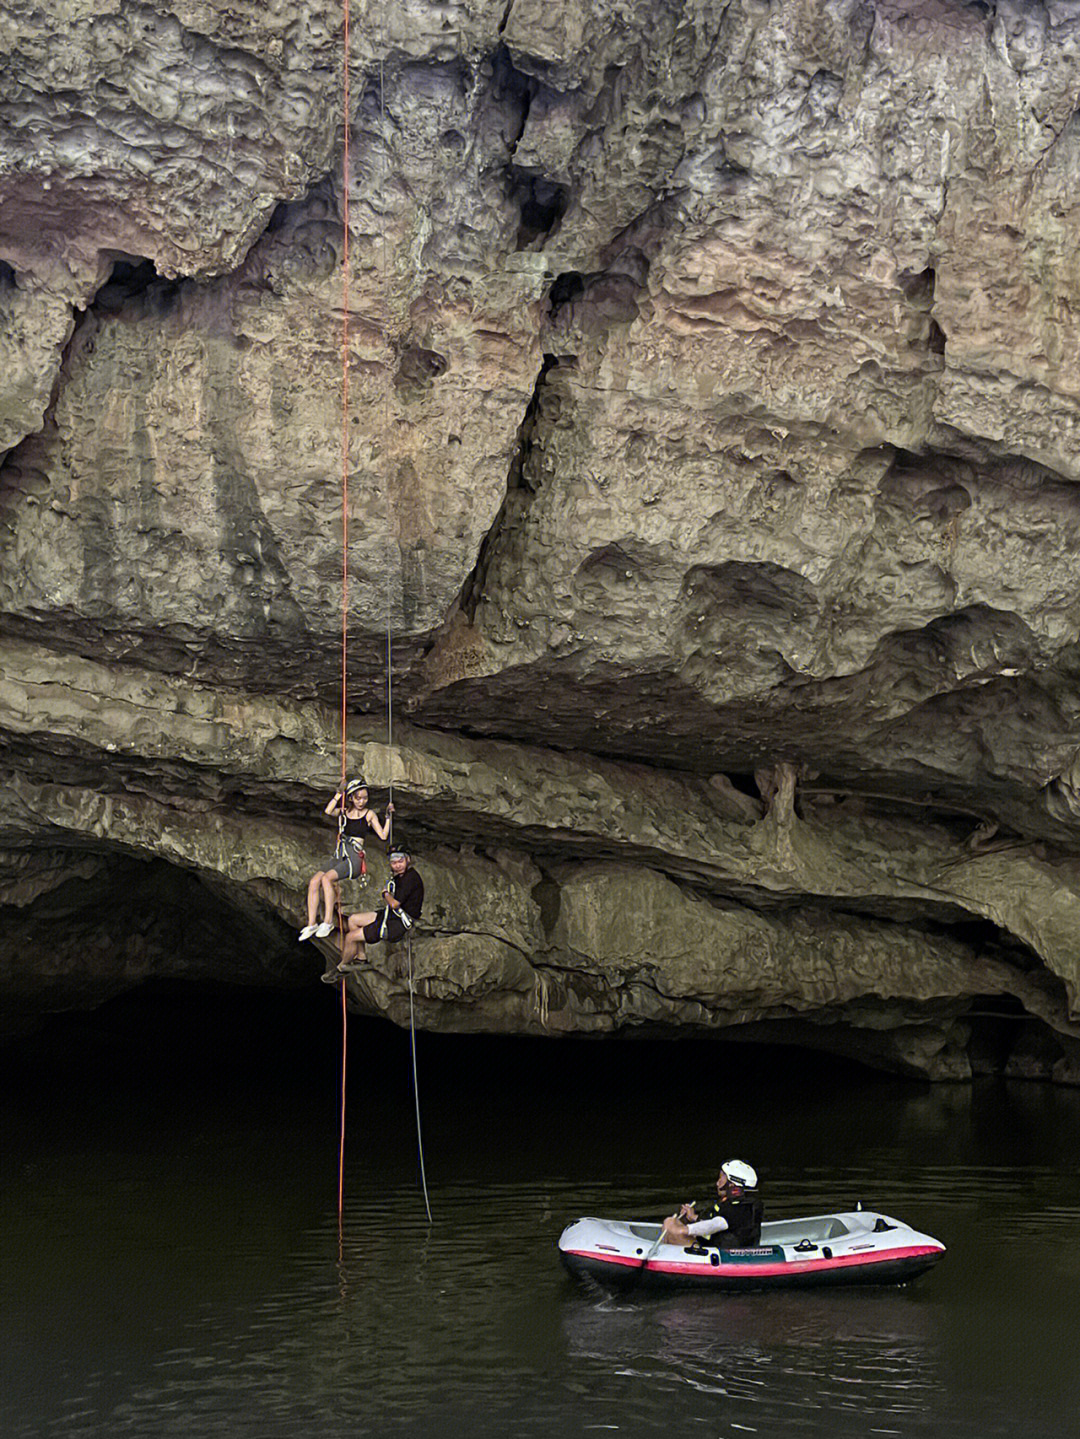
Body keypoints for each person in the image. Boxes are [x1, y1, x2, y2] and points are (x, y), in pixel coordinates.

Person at [298, 779, 393, 942]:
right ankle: (312, 923)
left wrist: (388, 817)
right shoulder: (344, 812)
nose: (362, 801)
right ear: (351, 798)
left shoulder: (369, 815)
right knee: (314, 881)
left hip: (354, 858)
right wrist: (338, 793)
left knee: (327, 879)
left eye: (364, 798)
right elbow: (328, 811)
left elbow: (383, 836)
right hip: (340, 855)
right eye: (358, 798)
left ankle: (327, 922)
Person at [336, 845, 424, 973]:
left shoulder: (410, 878)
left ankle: (341, 967)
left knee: (350, 937)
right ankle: (361, 958)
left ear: (408, 860)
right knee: (353, 920)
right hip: (391, 915)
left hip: (397, 923)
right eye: (393, 863)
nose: (397, 865)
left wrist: (385, 894)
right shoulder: (400, 877)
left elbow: (394, 904)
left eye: (400, 861)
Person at [659, 1160, 762, 1249]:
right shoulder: (736, 1203)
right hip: (718, 1245)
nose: (717, 1184)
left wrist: (686, 1230)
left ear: (732, 1184)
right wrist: (693, 1217)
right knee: (670, 1222)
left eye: (721, 1180)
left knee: (671, 1228)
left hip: (726, 1253)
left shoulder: (738, 1209)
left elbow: (715, 1224)